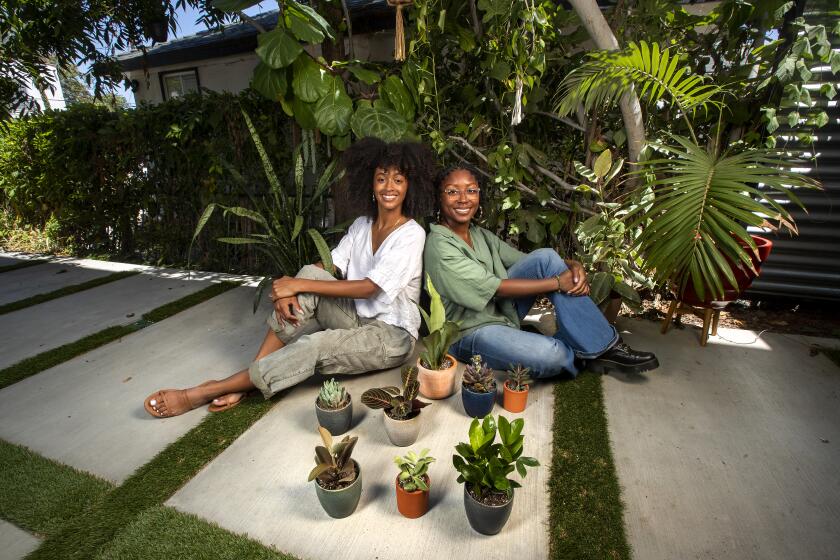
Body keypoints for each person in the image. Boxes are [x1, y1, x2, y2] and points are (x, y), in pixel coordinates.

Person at [144, 138, 436, 418]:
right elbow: (328, 265)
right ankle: (255, 372)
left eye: (398, 180)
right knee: (310, 272)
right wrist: (290, 292)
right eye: (382, 178)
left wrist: (296, 285)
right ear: (371, 183)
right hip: (356, 317)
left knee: (315, 344)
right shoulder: (362, 225)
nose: (389, 187)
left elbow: (369, 288)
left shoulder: (412, 234)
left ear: (409, 187)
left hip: (390, 336)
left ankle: (210, 389)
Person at [423, 165, 659, 379]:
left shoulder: (479, 234)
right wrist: (558, 283)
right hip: (469, 333)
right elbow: (496, 287)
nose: (463, 199)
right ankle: (583, 347)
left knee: (545, 256)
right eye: (452, 192)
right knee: (554, 356)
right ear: (439, 197)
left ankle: (606, 346)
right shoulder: (439, 245)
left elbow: (532, 263)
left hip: (503, 313)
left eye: (471, 191)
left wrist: (572, 265)